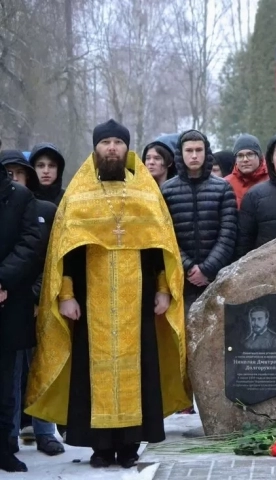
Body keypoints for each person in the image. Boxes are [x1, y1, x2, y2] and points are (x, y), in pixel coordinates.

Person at [25, 119, 192, 469]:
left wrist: (163, 290)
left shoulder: (146, 193)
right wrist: (66, 294)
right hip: (90, 301)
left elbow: (158, 249)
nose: (112, 148)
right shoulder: (79, 194)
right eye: (106, 143)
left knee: (139, 368)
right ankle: (99, 447)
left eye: (118, 142)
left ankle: (130, 445)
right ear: (96, 149)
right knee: (91, 371)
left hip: (139, 300)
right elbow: (64, 254)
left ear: (127, 148)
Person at [0, 151, 63, 457]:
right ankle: (9, 434)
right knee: (10, 374)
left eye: (19, 173)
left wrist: (38, 294)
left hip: (37, 298)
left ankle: (45, 430)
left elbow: (46, 258)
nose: (13, 178)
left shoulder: (47, 209)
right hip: (11, 297)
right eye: (7, 172)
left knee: (42, 365)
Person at [161, 130, 237, 318]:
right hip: (181, 278)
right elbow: (165, 235)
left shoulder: (222, 188)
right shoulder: (167, 190)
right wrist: (188, 267)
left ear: (206, 152)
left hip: (217, 277)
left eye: (198, 150)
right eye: (189, 150)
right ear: (180, 153)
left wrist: (207, 269)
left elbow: (228, 233)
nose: (194, 155)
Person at [0, 160, 41, 473]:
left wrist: (3, 280)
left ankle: (3, 447)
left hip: (8, 300)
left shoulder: (20, 197)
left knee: (5, 381)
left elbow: (30, 243)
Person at [225, 134, 269, 208]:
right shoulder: (226, 184)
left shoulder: (272, 180)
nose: (245, 159)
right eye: (240, 156)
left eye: (250, 154)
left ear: (259, 156)